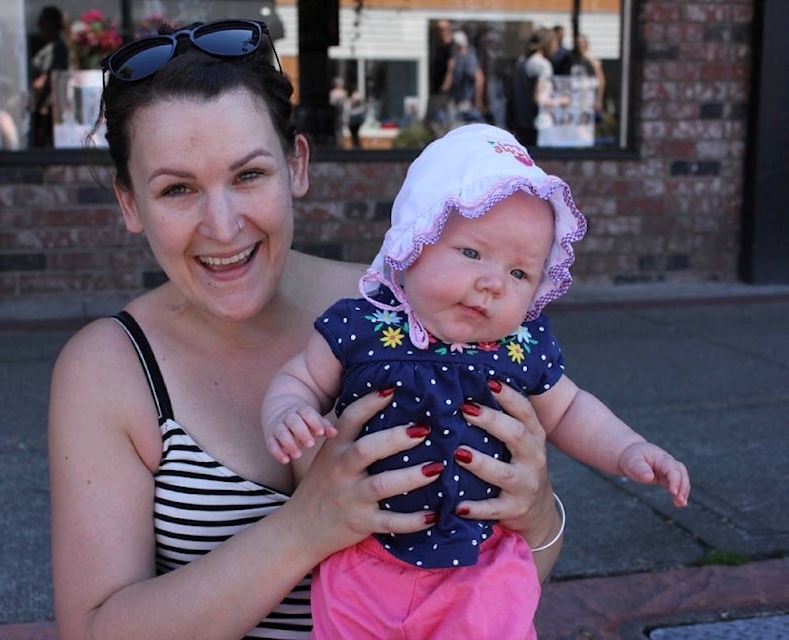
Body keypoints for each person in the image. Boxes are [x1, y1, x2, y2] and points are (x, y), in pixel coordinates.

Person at [48, 19, 565, 640]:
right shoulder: (111, 369)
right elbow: (94, 631)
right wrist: (306, 528)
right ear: (130, 203)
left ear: (296, 165)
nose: (222, 225)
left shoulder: (406, 315)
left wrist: (538, 518)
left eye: (248, 175)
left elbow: (506, 588)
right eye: (177, 188)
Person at [262, 123, 691, 638]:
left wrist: (628, 450)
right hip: (362, 553)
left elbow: (571, 409)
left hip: (483, 564)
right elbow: (301, 380)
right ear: (414, 240)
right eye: (471, 253)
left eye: (519, 274)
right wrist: (288, 412)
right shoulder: (362, 324)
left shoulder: (521, 344)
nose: (492, 283)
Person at [511, 28, 564, 147]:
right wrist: (562, 101)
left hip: (522, 121)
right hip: (540, 124)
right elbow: (539, 98)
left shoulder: (522, 61)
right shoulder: (542, 65)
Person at [29, 5, 70, 148]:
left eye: (42, 22)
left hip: (47, 105)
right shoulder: (50, 46)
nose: (39, 26)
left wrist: (38, 99)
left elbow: (52, 75)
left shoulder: (57, 47)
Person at [448, 29, 485, 124]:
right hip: (456, 99)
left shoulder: (468, 58)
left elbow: (479, 78)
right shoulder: (457, 57)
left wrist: (478, 100)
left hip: (466, 101)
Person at [571, 33, 607, 117]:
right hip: (575, 94)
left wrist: (599, 99)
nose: (580, 45)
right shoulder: (573, 58)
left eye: (582, 43)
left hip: (587, 93)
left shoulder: (591, 57)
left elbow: (600, 78)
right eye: (578, 43)